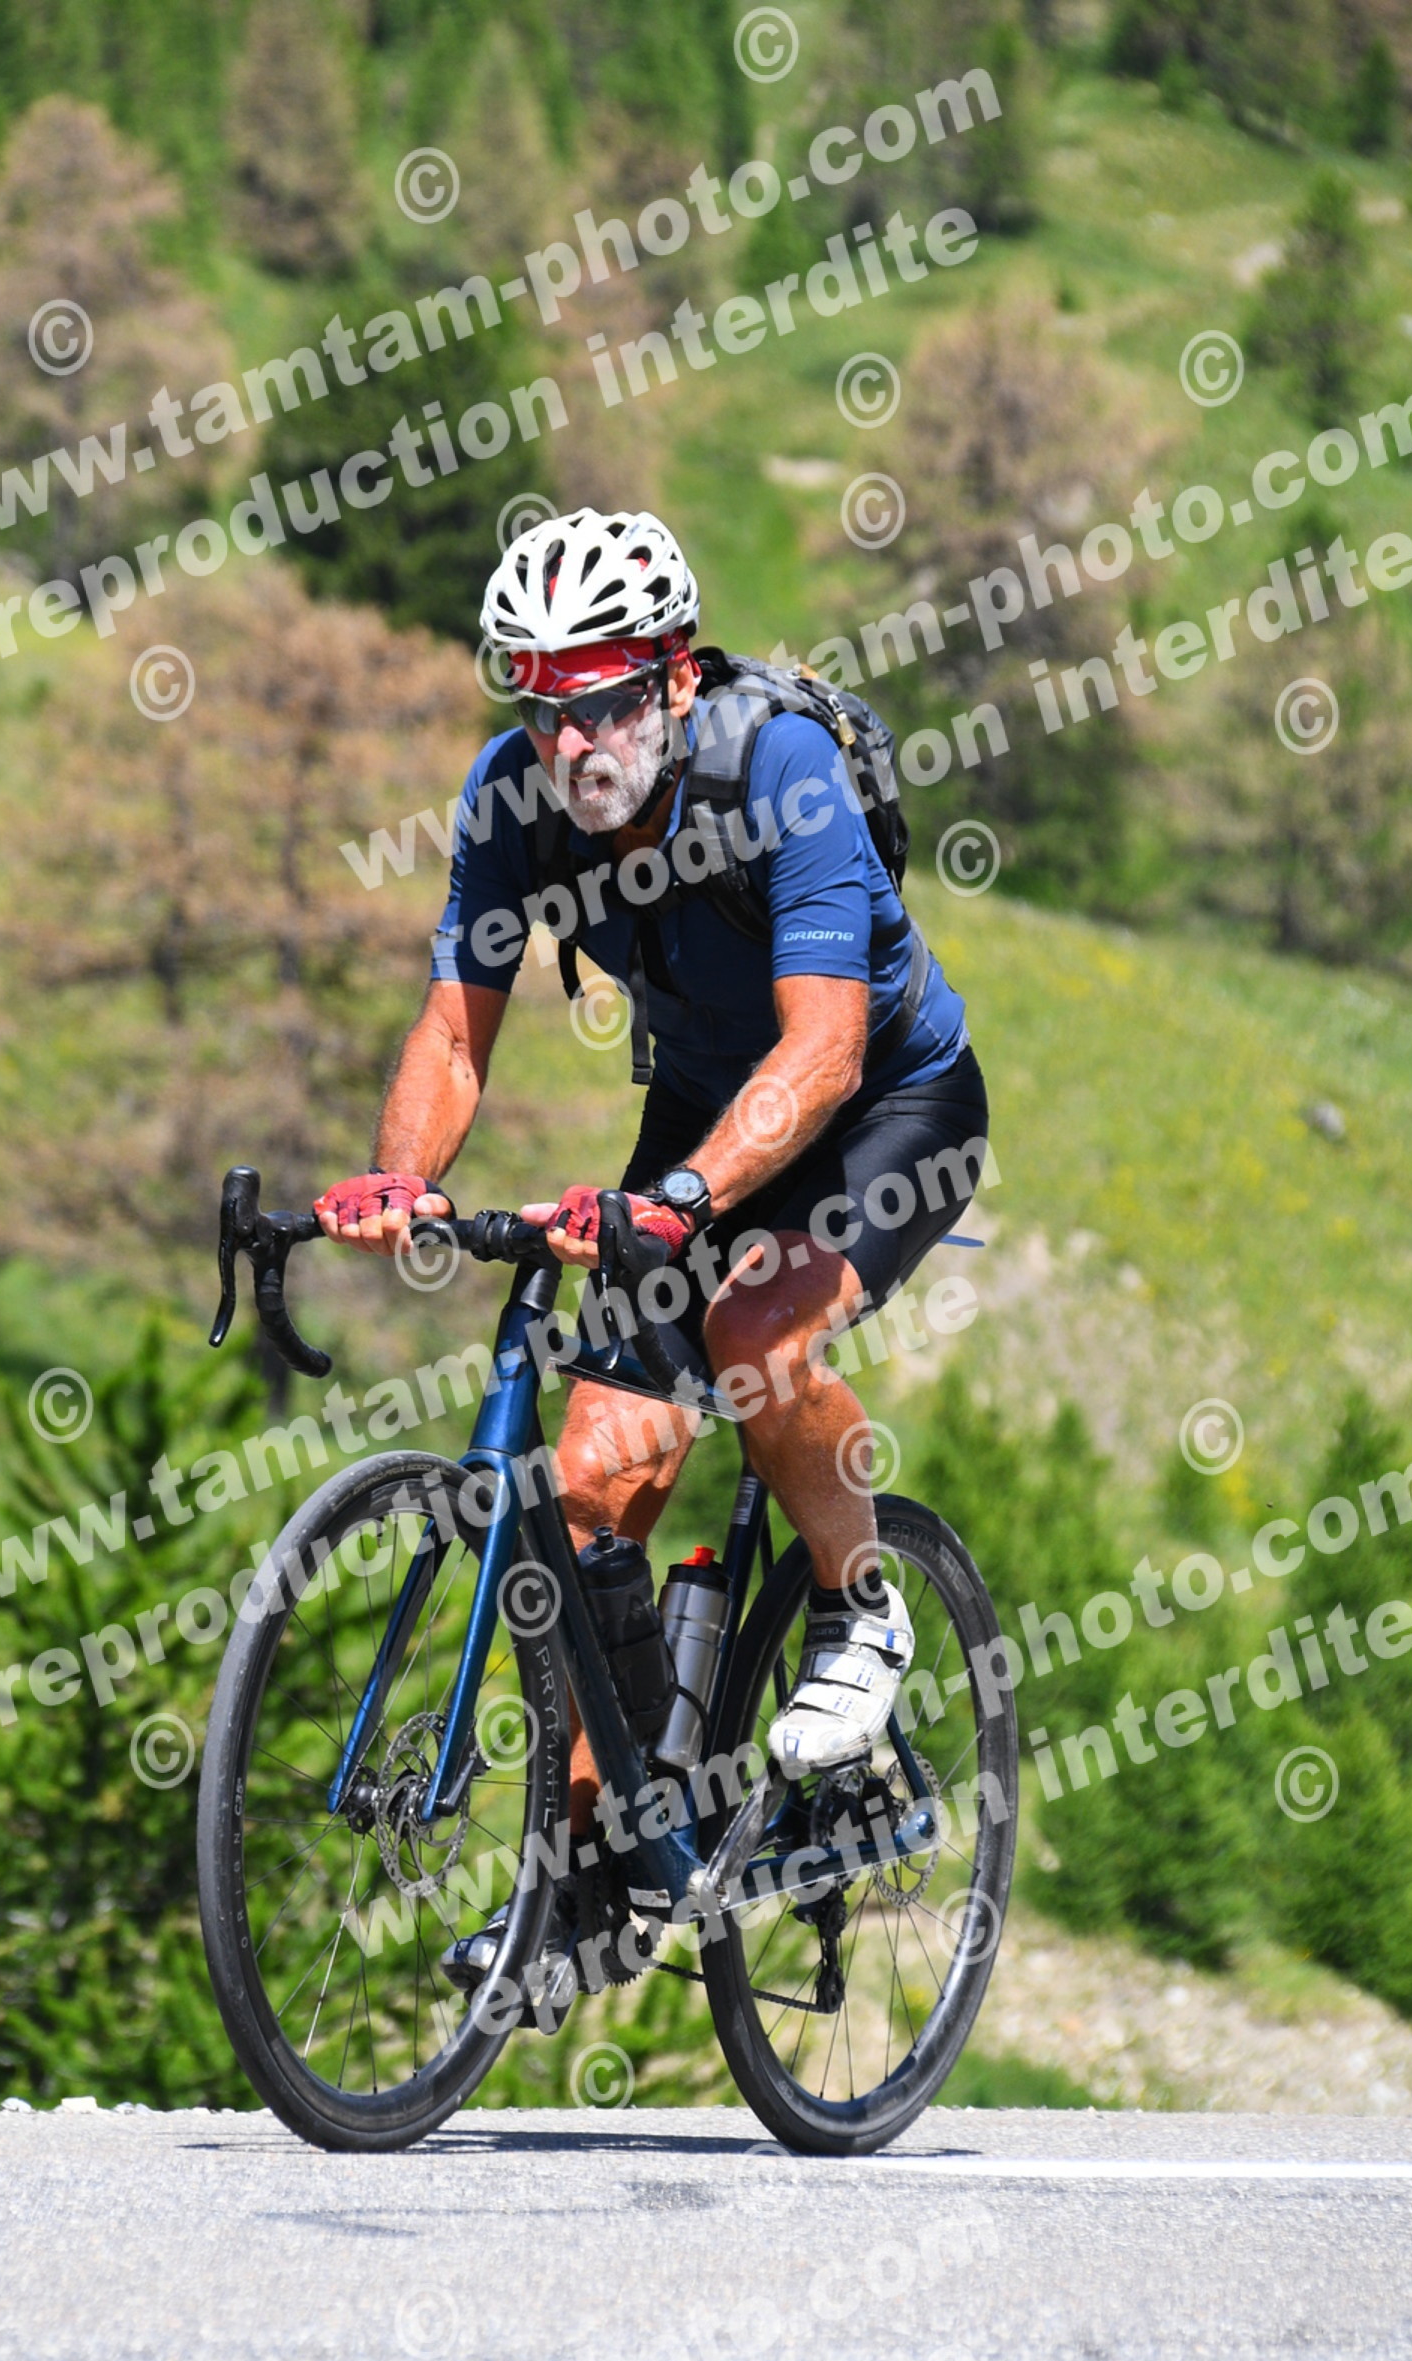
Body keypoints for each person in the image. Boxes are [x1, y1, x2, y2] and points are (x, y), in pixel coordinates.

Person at [315, 506, 988, 1860]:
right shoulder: (513, 800)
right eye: (543, 711)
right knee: (583, 1501)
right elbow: (454, 1035)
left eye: (604, 706)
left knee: (753, 1330)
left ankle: (861, 1607)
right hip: (701, 1112)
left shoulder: (778, 766)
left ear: (675, 679)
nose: (574, 747)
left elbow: (825, 1049)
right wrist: (398, 1182)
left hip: (885, 1101)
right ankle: (586, 1876)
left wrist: (678, 1205)